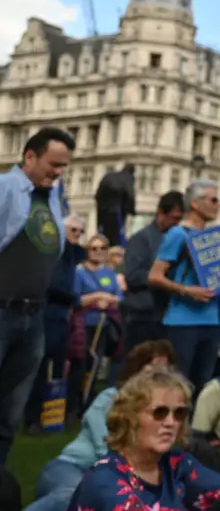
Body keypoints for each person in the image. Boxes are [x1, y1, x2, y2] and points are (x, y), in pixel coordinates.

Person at [66, 366, 220, 511]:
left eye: (178, 413)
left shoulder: (175, 463)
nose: (171, 422)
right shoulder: (105, 479)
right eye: (159, 412)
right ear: (130, 417)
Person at [26, 339, 176, 511]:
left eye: (165, 370)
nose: (159, 376)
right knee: (73, 495)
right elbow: (104, 444)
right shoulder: (111, 398)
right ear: (136, 371)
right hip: (73, 468)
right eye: (153, 368)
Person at [0, 126, 75, 464]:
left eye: (64, 167)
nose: (58, 173)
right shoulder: (5, 188)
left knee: (9, 414)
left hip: (34, 318)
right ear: (30, 156)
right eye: (53, 164)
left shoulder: (53, 199)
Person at [149, 180, 220, 392]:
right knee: (178, 384)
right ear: (195, 204)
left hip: (211, 321)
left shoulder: (215, 238)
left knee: (204, 384)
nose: (219, 205)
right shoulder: (178, 234)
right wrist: (186, 291)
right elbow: (154, 276)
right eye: (214, 200)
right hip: (182, 322)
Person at [24, 213, 87, 434]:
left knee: (60, 368)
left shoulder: (71, 255)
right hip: (46, 315)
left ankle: (53, 415)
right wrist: (75, 299)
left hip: (63, 319)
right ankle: (32, 418)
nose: (77, 235)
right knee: (40, 368)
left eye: (80, 231)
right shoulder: (55, 254)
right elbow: (50, 284)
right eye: (73, 230)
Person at [122, 191, 185, 355]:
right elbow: (132, 275)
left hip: (166, 314)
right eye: (174, 218)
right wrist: (162, 277)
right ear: (160, 214)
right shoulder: (141, 239)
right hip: (143, 316)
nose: (177, 224)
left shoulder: (176, 238)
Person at [69, 233, 125, 412]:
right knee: (81, 364)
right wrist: (95, 297)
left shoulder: (110, 272)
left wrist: (108, 299)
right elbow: (75, 299)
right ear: (87, 251)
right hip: (83, 325)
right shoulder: (79, 272)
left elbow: (119, 297)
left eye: (103, 248)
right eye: (94, 248)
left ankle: (88, 402)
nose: (99, 251)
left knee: (96, 364)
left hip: (104, 325)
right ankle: (74, 403)